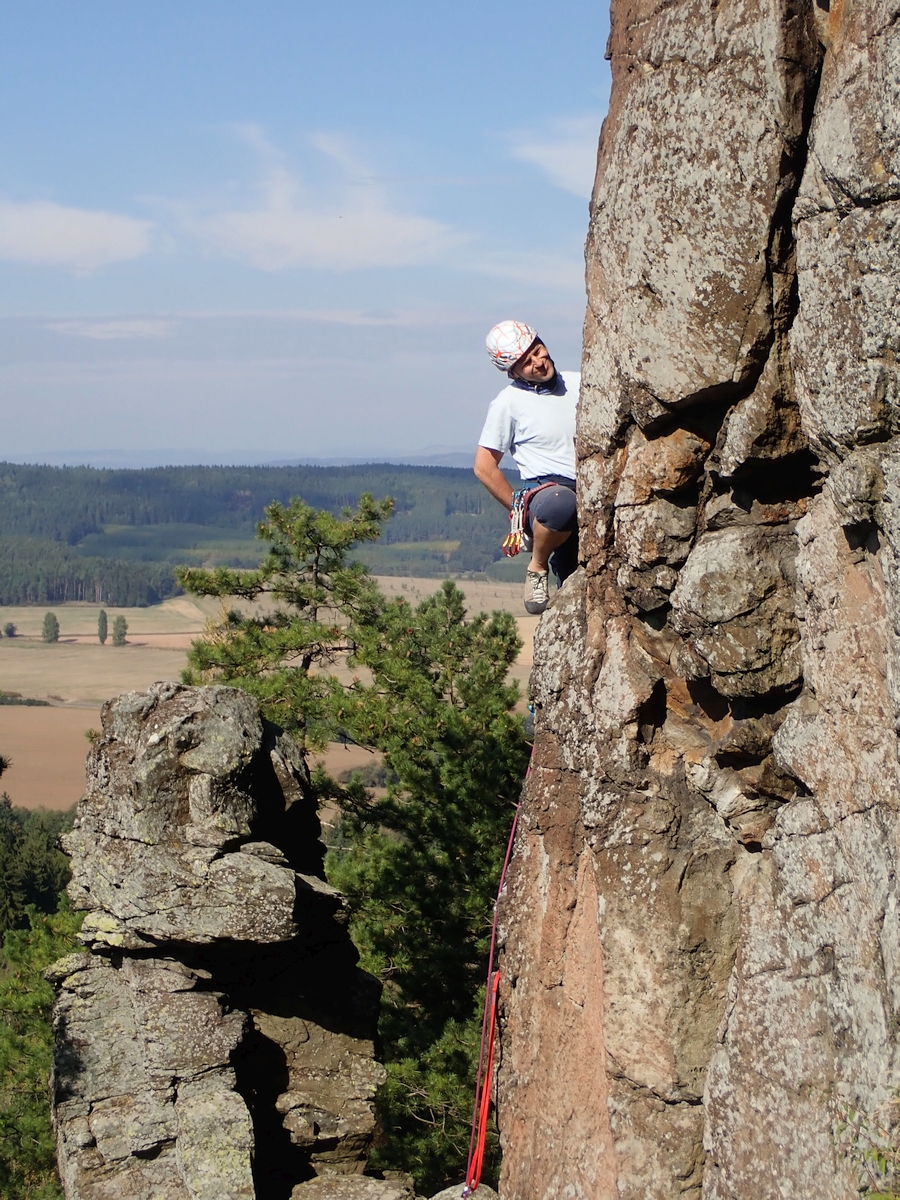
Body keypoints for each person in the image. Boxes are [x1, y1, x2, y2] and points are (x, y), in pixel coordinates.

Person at [474, 320, 579, 615]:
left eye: (537, 350)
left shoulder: (579, 381)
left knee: (577, 578)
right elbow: (484, 466)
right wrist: (520, 513)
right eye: (526, 362)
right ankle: (538, 563)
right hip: (547, 491)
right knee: (562, 503)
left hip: (591, 484)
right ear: (514, 372)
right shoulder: (507, 403)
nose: (538, 362)